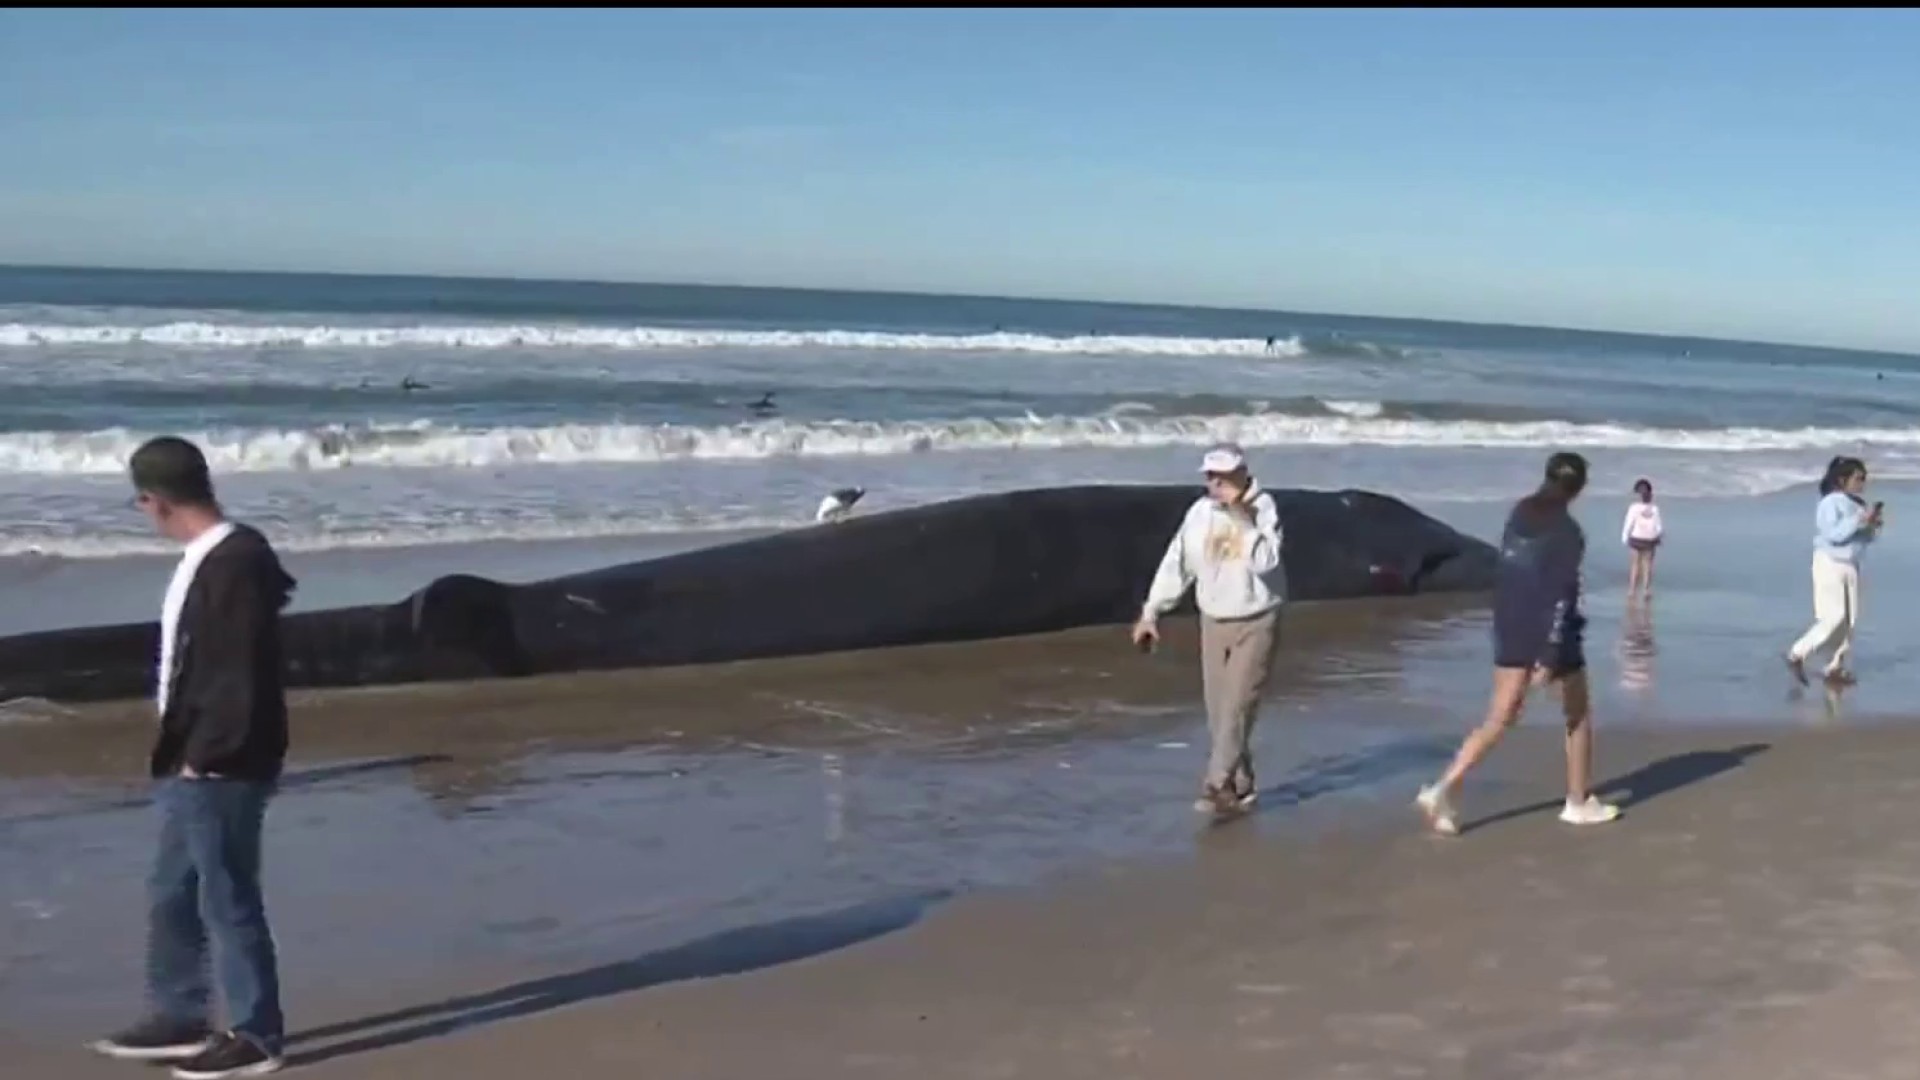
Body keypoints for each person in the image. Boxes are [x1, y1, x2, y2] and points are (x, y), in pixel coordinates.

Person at [90, 436, 298, 1080]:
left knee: (227, 895)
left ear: (153, 501)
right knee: (172, 889)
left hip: (219, 761)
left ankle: (258, 1032)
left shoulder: (234, 560)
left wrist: (208, 754)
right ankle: (179, 1015)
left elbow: (237, 673)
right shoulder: (217, 555)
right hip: (191, 754)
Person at [1416, 451, 1620, 836]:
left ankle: (1444, 786)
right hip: (1548, 630)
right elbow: (1562, 593)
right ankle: (1578, 802)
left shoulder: (1520, 513)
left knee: (1499, 717)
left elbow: (1512, 573)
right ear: (1578, 489)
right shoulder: (1567, 532)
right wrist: (1551, 652)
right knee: (1577, 713)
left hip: (1509, 622)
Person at [1131, 443, 1286, 817]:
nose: (1215, 483)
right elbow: (1178, 562)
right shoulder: (1199, 513)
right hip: (1213, 620)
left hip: (1257, 618)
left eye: (1224, 476)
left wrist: (1241, 516)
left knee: (1237, 707)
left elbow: (1266, 560)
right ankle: (1241, 785)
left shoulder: (1264, 509)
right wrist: (1152, 611)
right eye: (1210, 476)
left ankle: (1215, 785)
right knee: (1219, 713)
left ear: (1242, 475)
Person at [1785, 455, 1880, 687]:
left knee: (1850, 620)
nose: (1862, 483)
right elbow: (1833, 535)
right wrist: (1859, 522)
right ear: (1841, 480)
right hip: (1829, 561)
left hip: (1851, 564)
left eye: (1864, 478)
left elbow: (1864, 539)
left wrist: (1871, 526)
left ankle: (1835, 666)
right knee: (1833, 616)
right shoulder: (1831, 502)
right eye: (1858, 478)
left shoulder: (1858, 505)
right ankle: (1797, 653)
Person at [1621, 478, 1663, 599]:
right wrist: (1659, 535)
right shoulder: (1654, 508)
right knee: (1648, 565)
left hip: (1636, 538)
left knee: (1635, 565)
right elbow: (1658, 525)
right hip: (1649, 538)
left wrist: (1625, 537)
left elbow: (1629, 522)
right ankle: (1646, 590)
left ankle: (1632, 590)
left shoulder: (1634, 507)